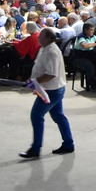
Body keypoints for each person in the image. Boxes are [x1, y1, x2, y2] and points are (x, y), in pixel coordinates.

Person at [19, 28, 74, 159]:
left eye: (41, 36)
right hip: (53, 88)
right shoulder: (46, 48)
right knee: (58, 116)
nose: (38, 38)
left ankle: (36, 148)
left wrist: (35, 81)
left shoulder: (51, 51)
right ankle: (68, 143)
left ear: (48, 38)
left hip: (52, 90)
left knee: (36, 115)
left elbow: (51, 73)